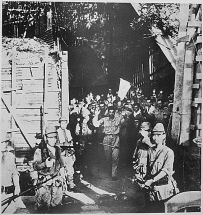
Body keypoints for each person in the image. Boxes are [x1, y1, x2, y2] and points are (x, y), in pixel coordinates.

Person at [140, 123, 179, 213]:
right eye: (154, 135)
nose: (155, 138)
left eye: (158, 135)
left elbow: (166, 171)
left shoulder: (168, 152)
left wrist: (152, 180)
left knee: (162, 210)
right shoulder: (150, 150)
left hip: (164, 190)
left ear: (164, 136)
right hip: (152, 189)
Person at [33, 125, 64, 212]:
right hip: (44, 184)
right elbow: (35, 166)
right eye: (50, 137)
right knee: (43, 209)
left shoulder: (58, 150)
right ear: (46, 138)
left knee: (56, 208)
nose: (53, 140)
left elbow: (61, 165)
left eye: (54, 137)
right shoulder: (39, 151)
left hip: (56, 184)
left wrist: (62, 176)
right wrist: (44, 164)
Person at [93, 106, 125, 180]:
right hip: (106, 138)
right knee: (107, 156)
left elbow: (126, 124)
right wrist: (96, 115)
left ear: (114, 113)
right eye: (110, 112)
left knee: (115, 157)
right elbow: (96, 124)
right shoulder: (104, 119)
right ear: (108, 112)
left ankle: (114, 174)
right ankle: (108, 170)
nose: (111, 113)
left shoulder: (119, 119)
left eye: (112, 112)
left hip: (116, 138)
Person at [1, 139, 27, 214]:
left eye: (5, 142)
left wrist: (17, 186)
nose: (4, 144)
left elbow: (14, 173)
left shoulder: (10, 156)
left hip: (8, 194)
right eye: (2, 142)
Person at [56, 116, 76, 190]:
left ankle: (71, 183)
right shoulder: (57, 132)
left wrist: (72, 152)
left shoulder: (68, 132)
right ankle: (63, 186)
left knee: (70, 169)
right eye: (62, 123)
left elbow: (71, 142)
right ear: (59, 123)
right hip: (62, 153)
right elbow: (56, 144)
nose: (63, 125)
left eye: (65, 123)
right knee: (62, 169)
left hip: (68, 153)